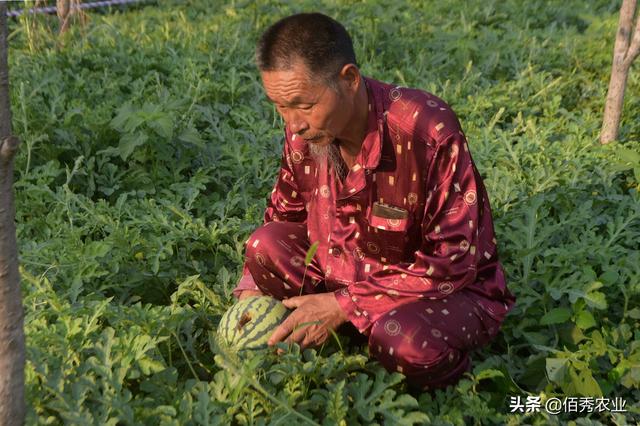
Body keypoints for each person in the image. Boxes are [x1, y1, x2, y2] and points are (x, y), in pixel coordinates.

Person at [231, 12, 516, 391]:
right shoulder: (304, 131)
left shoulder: (426, 130)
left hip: (437, 289)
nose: (293, 122)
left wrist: (344, 305)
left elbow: (452, 262)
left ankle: (450, 380)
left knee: (403, 342)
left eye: (303, 104)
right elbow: (284, 213)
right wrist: (251, 292)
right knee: (263, 245)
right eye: (280, 106)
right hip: (341, 269)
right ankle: (346, 325)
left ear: (348, 80)